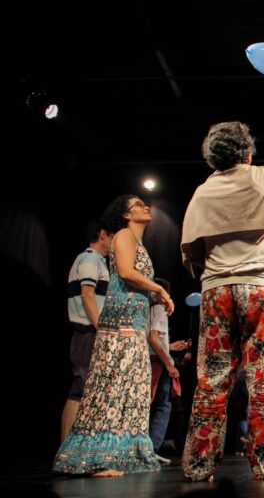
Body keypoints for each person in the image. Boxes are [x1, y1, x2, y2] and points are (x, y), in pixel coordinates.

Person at [180, 98, 264, 481]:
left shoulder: (202, 192)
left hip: (217, 289)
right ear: (247, 151)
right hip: (263, 288)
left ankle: (198, 465)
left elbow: (194, 252)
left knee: (212, 378)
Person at [53, 195, 174, 476]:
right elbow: (126, 272)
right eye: (137, 205)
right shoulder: (123, 235)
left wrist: (154, 298)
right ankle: (94, 458)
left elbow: (133, 280)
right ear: (125, 215)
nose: (145, 206)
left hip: (132, 325)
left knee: (129, 390)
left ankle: (116, 453)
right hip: (119, 327)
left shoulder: (137, 242)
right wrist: (160, 290)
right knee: (110, 390)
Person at [61, 220, 113, 442]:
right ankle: (66, 448)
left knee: (88, 391)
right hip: (87, 332)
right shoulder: (90, 258)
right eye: (113, 237)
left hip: (89, 332)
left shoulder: (95, 260)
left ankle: (78, 448)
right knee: (80, 389)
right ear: (103, 234)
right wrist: (101, 329)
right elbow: (87, 295)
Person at [147, 277, 190, 462]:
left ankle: (145, 447)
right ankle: (151, 448)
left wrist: (170, 346)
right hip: (158, 362)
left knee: (150, 404)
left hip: (150, 359)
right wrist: (170, 364)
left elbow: (152, 339)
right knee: (164, 405)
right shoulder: (160, 309)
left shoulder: (146, 309)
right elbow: (153, 338)